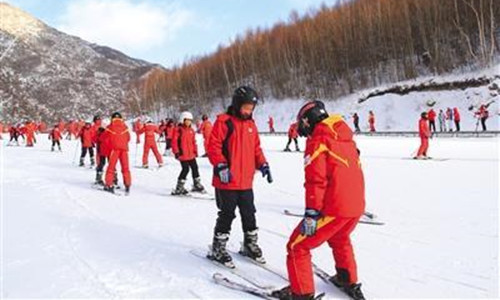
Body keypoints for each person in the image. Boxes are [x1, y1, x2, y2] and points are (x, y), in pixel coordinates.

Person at [274, 100, 365, 300]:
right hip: (355, 207)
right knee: (340, 238)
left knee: (297, 246)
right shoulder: (346, 139)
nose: (304, 133)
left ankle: (302, 293)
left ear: (308, 121)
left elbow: (315, 180)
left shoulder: (318, 141)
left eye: (304, 127)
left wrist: (312, 213)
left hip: (335, 208)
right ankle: (346, 278)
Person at [207, 85, 272, 268]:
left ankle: (250, 244)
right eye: (245, 108)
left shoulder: (251, 125)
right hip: (227, 180)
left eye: (251, 109)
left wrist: (263, 164)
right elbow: (214, 147)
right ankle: (218, 247)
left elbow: (256, 149)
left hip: (245, 181)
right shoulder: (224, 122)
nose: (248, 112)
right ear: (237, 105)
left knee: (249, 213)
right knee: (227, 214)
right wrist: (220, 165)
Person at [171, 111, 206, 195]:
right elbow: (174, 142)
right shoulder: (178, 130)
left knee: (195, 167)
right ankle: (179, 187)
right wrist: (176, 152)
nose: (188, 122)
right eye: (187, 120)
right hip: (182, 154)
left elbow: (193, 142)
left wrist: (195, 150)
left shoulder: (191, 130)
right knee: (185, 169)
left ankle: (196, 184)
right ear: (182, 120)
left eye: (190, 120)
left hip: (191, 154)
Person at [103, 112, 131, 194]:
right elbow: (128, 138)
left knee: (111, 168)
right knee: (125, 168)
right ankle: (127, 184)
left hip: (114, 149)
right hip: (124, 150)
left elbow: (105, 138)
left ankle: (109, 184)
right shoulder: (125, 127)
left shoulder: (110, 127)